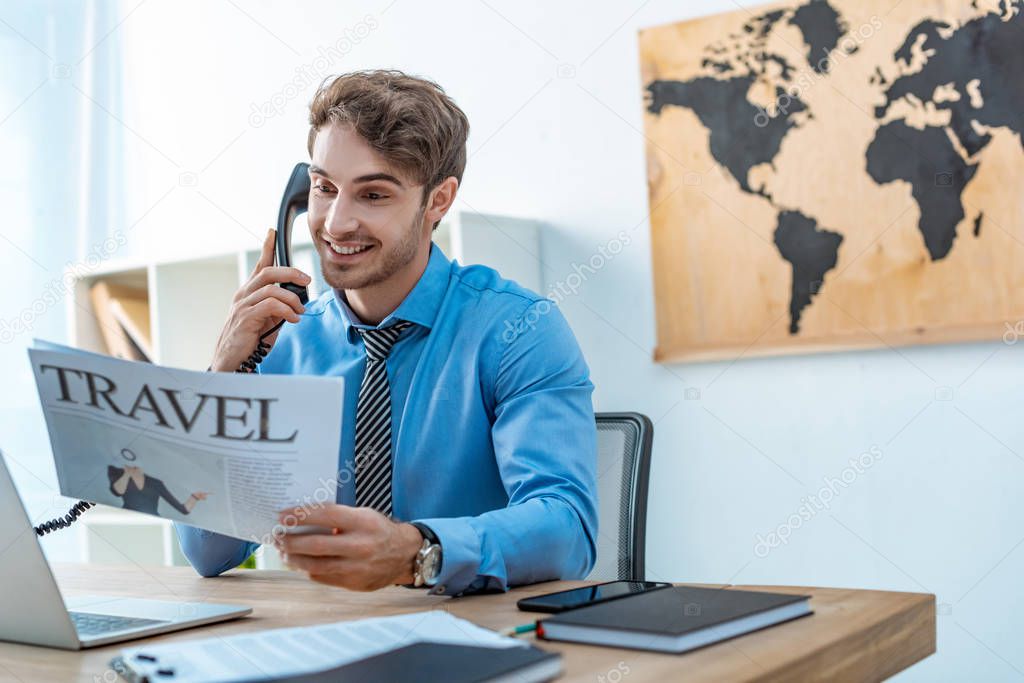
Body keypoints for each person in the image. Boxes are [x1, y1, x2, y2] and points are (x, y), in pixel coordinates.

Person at [176, 69, 597, 597]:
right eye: (324, 188)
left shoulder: (517, 330)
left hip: (474, 644)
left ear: (438, 201)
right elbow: (208, 553)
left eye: (373, 195)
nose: (334, 223)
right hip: (327, 642)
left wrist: (417, 551)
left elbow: (567, 529)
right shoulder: (284, 340)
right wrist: (224, 381)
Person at [108, 463, 210, 516]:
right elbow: (117, 491)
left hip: (151, 520)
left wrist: (194, 497)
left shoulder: (155, 483)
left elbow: (183, 509)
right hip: (128, 518)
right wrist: (127, 473)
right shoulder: (118, 474)